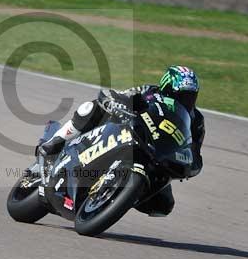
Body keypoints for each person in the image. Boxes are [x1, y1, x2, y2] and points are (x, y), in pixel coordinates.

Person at [37, 65, 205, 217]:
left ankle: (115, 194)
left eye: (191, 96)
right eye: (181, 94)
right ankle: (55, 141)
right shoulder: (149, 92)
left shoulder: (196, 121)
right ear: (167, 88)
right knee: (90, 108)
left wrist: (191, 166)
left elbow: (195, 153)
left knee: (163, 205)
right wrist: (117, 105)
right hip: (128, 134)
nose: (186, 100)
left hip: (157, 157)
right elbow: (117, 96)